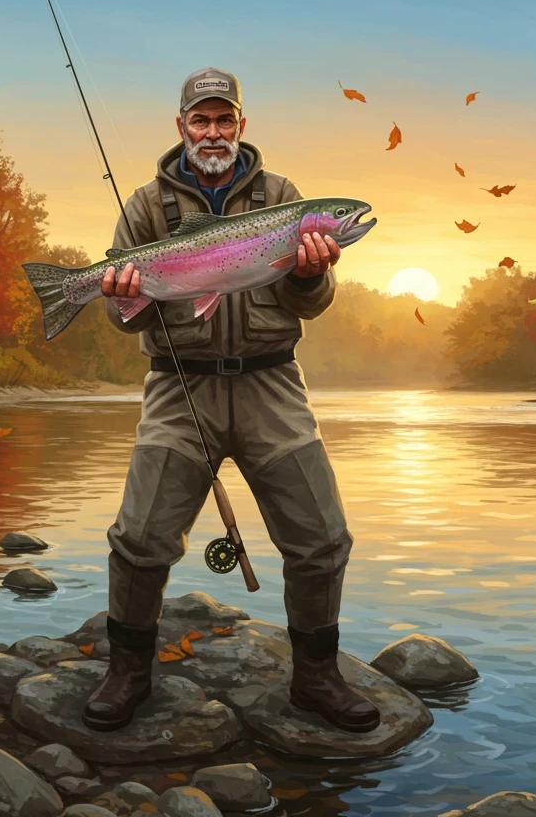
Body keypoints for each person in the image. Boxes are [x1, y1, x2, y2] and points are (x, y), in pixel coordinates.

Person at [81, 67, 380, 734]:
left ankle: (317, 677)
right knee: (139, 538)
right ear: (182, 126)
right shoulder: (144, 206)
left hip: (272, 381)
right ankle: (128, 671)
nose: (212, 132)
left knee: (322, 537)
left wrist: (312, 273)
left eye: (224, 120)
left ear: (241, 126)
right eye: (200, 120)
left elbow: (316, 303)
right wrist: (122, 292)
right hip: (178, 384)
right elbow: (125, 317)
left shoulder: (284, 199)